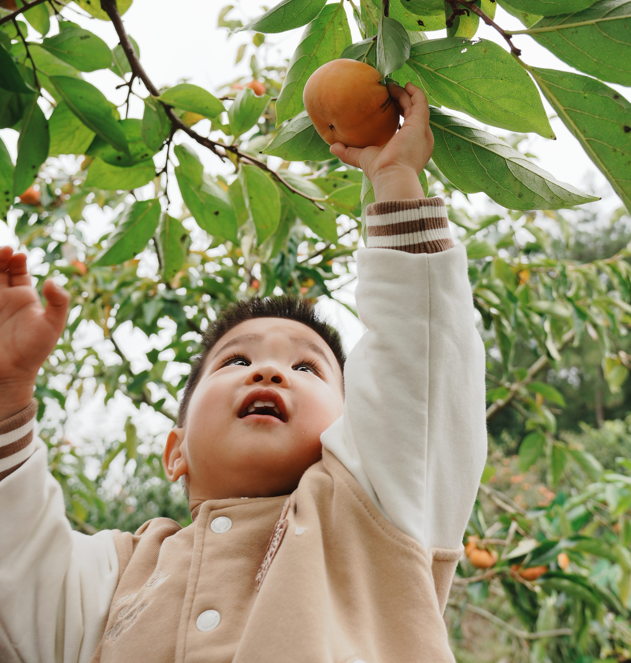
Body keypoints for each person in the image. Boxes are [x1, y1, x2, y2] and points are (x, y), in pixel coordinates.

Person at [0, 83, 487, 663]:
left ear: (353, 435)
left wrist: (396, 183)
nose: (270, 372)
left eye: (307, 366)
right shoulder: (118, 569)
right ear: (175, 449)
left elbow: (422, 365)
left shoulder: (370, 516)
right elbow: (18, 573)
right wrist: (6, 396)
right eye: (236, 360)